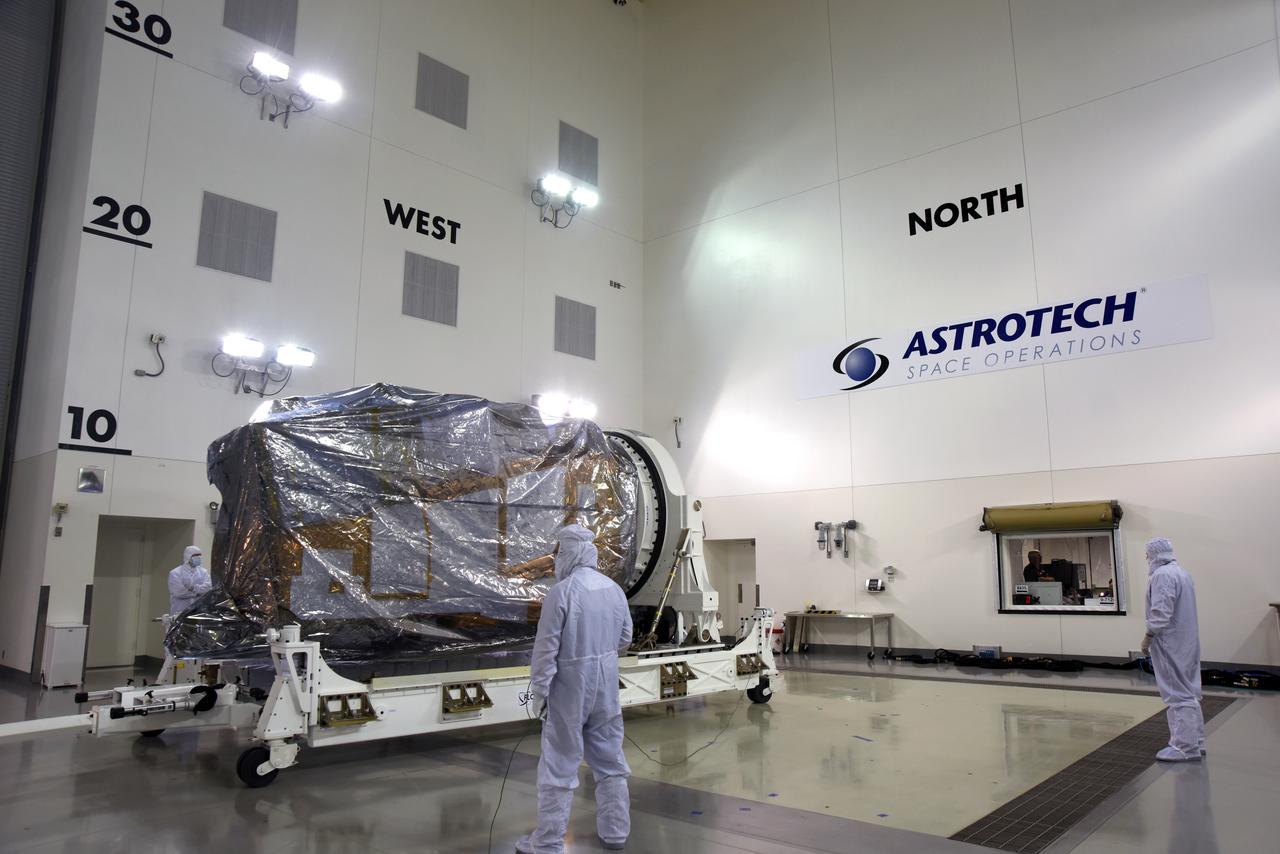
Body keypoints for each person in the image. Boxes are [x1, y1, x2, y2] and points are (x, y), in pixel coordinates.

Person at [517, 523, 633, 854]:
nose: (556, 560)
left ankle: (548, 842)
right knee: (610, 759)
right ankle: (615, 832)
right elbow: (625, 637)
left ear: (570, 552)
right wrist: (601, 653)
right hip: (606, 686)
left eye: (559, 552)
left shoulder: (562, 593)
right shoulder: (613, 589)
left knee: (559, 763)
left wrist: (540, 692)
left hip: (570, 689)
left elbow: (546, 650)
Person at [1141, 537, 1204, 761]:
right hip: (1186, 642)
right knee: (1190, 691)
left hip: (1170, 643)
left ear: (1155, 555)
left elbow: (1161, 613)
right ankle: (1196, 741)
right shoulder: (1182, 573)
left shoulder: (1162, 576)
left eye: (1148, 555)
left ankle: (1184, 747)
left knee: (1177, 694)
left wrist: (1148, 637)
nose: (1146, 559)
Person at [167, 546, 212, 615]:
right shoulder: (175, 573)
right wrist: (198, 593)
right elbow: (179, 593)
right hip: (180, 612)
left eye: (199, 555)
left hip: (199, 612)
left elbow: (208, 588)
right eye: (195, 555)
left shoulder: (203, 572)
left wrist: (193, 588)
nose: (198, 557)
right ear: (188, 557)